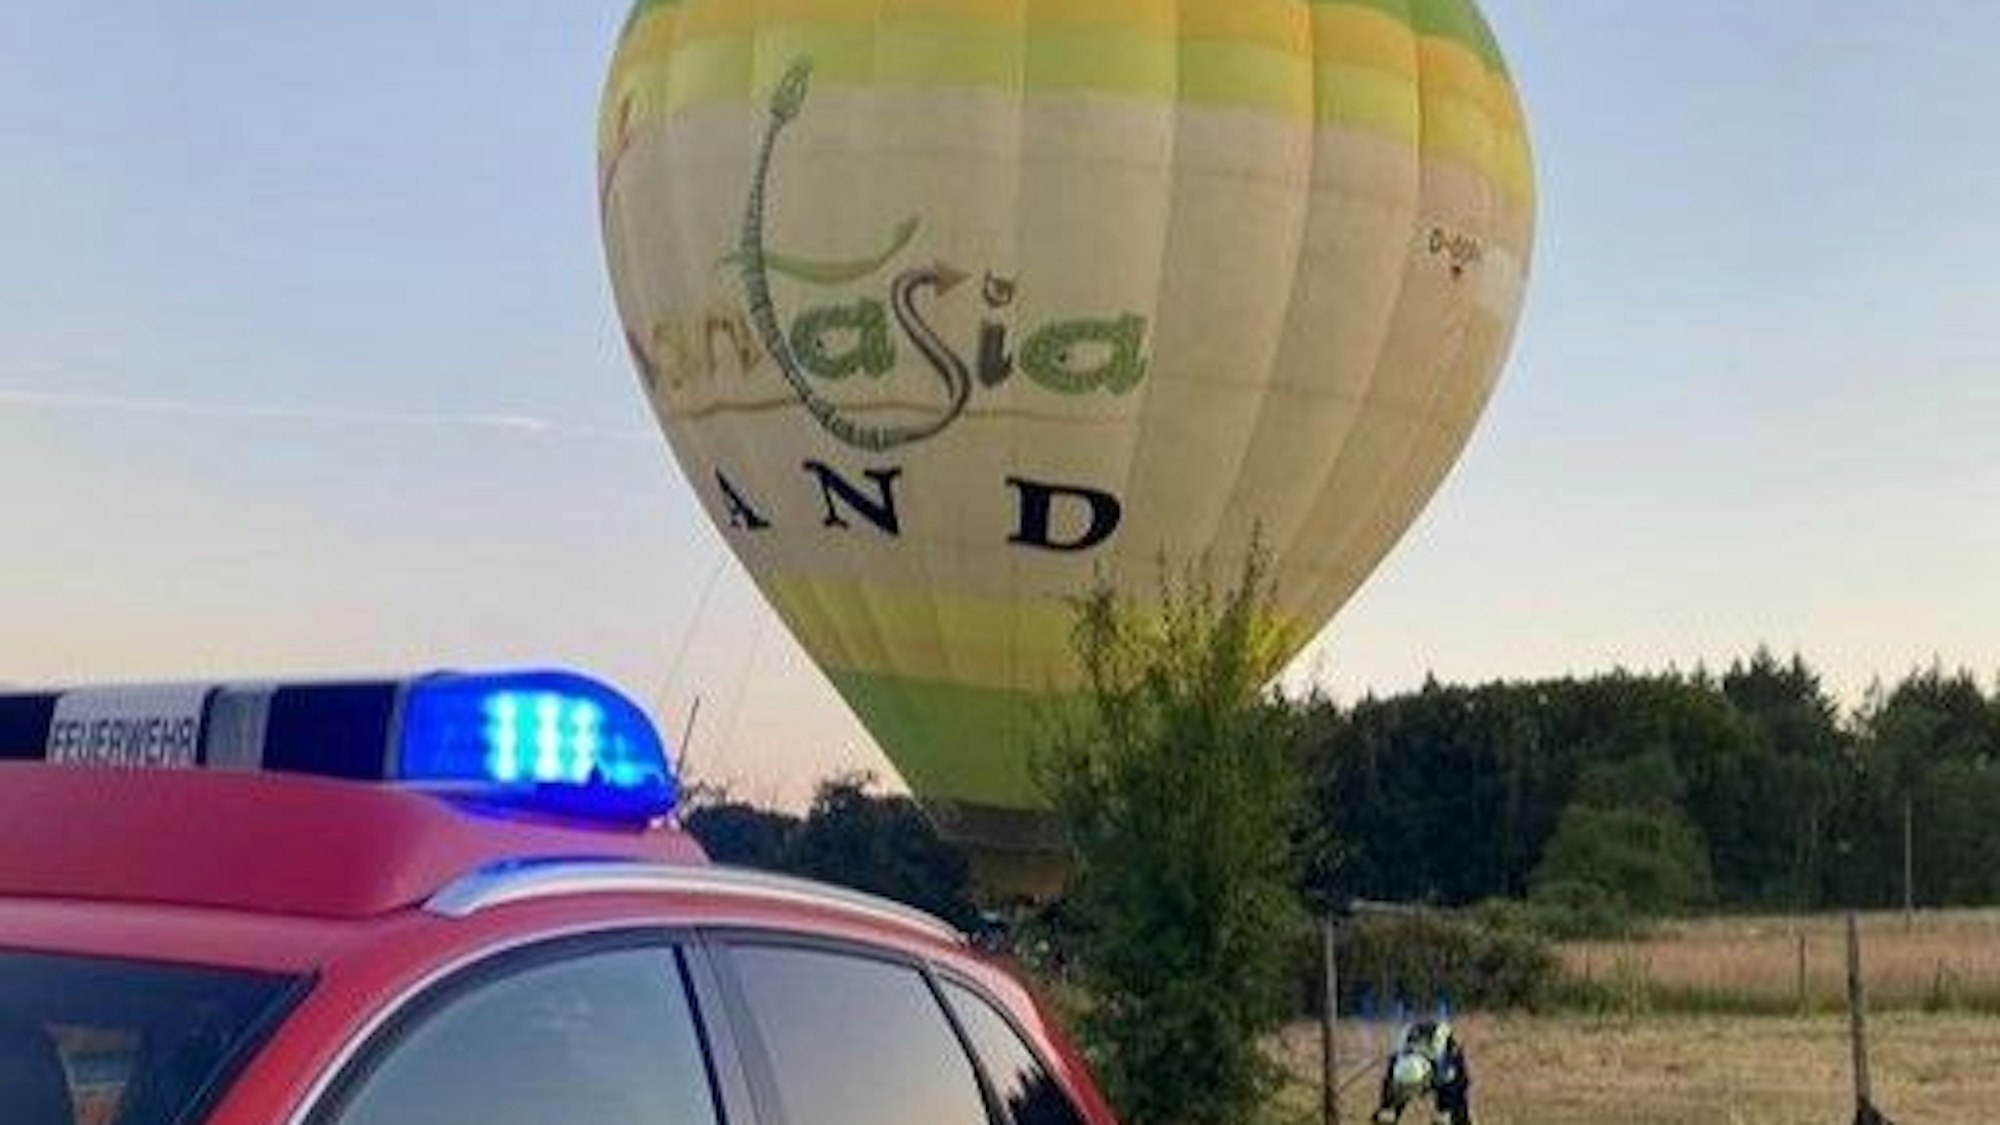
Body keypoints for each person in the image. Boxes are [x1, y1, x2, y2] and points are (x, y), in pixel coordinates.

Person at [1372, 1018, 1472, 1125]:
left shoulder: (1445, 1069)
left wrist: (1444, 1112)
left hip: (1445, 1058)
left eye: (1414, 1088)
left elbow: (1453, 1091)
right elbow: (1385, 1109)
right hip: (1414, 1052)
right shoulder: (1395, 1071)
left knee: (1449, 1114)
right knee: (1386, 1116)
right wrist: (1386, 1108)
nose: (1411, 1093)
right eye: (1406, 1089)